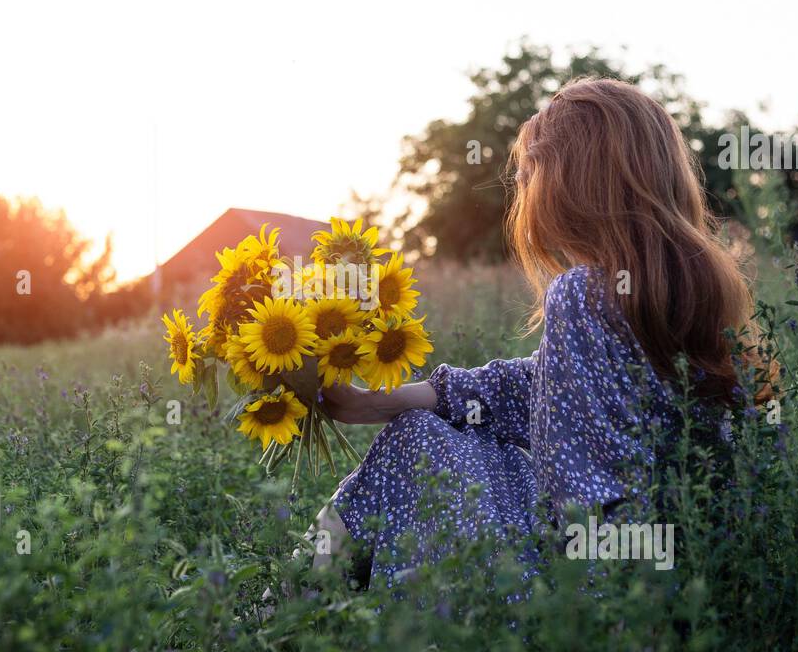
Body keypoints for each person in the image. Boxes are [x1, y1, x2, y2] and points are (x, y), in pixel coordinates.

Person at [313, 77, 768, 588]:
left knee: (418, 442)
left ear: (571, 184)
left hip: (582, 600)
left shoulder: (581, 294)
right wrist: (368, 402)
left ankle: (295, 611)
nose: (524, 198)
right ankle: (302, 598)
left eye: (529, 176)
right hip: (678, 578)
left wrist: (600, 633)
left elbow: (594, 502)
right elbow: (529, 386)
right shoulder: (699, 294)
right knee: (434, 430)